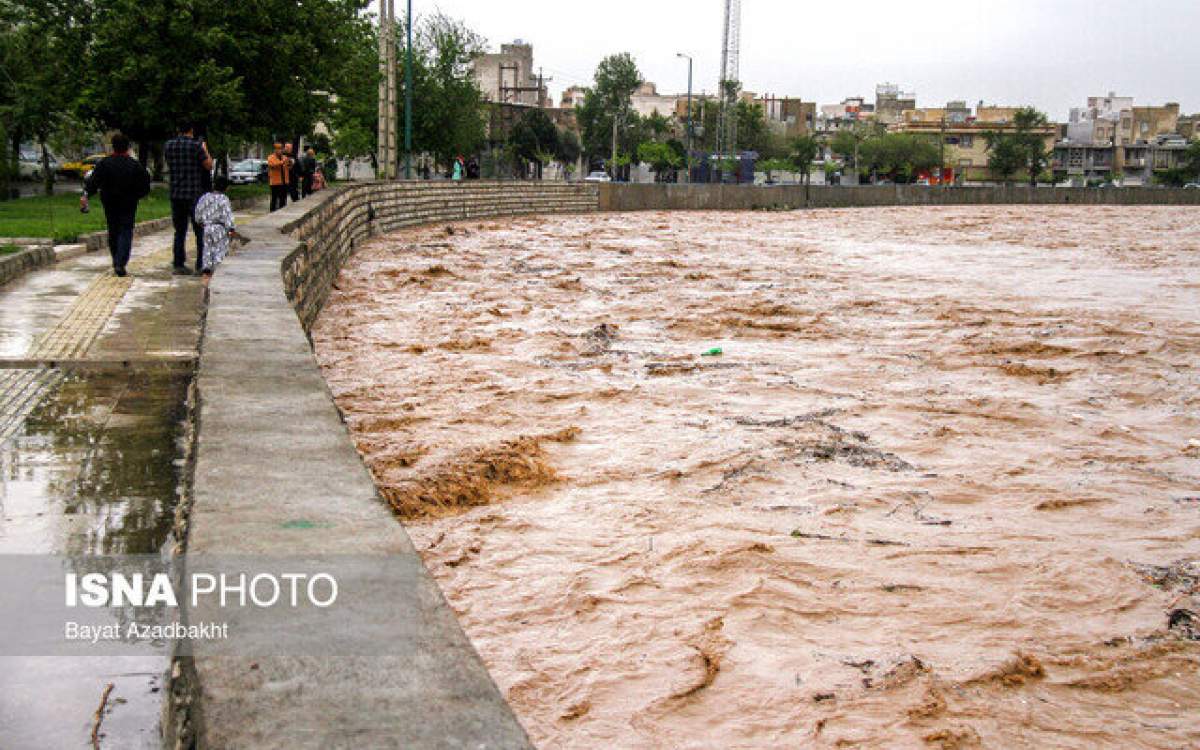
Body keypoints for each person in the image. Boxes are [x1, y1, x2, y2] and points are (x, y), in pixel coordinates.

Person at [81, 133, 151, 277]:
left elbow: (94, 181)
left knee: (113, 229)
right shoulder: (134, 165)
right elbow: (145, 186)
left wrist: (86, 194)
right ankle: (121, 262)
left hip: (109, 201)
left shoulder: (104, 163)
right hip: (129, 202)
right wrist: (137, 195)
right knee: (126, 229)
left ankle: (116, 260)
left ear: (113, 146)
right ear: (128, 147)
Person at [164, 122, 213, 275]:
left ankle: (178, 264)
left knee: (179, 231)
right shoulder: (196, 146)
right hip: (194, 194)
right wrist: (205, 149)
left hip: (176, 193)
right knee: (199, 231)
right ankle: (200, 265)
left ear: (178, 130)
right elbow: (208, 165)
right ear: (191, 130)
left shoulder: (169, 146)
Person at [194, 176, 240, 283]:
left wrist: (201, 223)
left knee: (207, 250)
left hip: (207, 227)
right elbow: (227, 216)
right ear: (226, 188)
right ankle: (218, 273)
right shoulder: (224, 199)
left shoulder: (205, 197)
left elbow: (197, 213)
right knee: (220, 250)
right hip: (220, 228)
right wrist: (231, 229)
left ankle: (206, 272)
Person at [267, 142, 292, 211]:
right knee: (274, 199)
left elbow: (288, 168)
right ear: (275, 150)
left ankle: (282, 211)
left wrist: (291, 163)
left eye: (281, 149)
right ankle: (272, 212)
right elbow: (273, 165)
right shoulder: (271, 157)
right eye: (278, 149)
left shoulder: (284, 157)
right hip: (275, 182)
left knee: (283, 199)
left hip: (284, 181)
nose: (280, 151)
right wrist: (282, 162)